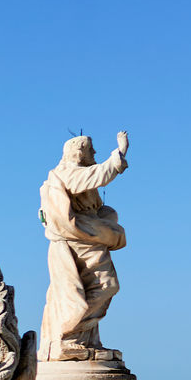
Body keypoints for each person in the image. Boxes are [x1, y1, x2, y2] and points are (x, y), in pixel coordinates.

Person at [40, 131, 129, 361]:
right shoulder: (67, 173)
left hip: (91, 238)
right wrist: (119, 153)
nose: (95, 154)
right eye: (92, 150)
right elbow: (99, 174)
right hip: (79, 241)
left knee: (93, 288)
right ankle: (67, 334)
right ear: (80, 153)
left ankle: (84, 339)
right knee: (105, 285)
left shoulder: (76, 175)